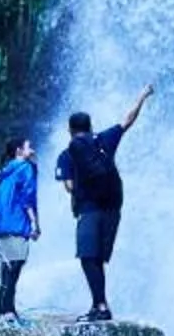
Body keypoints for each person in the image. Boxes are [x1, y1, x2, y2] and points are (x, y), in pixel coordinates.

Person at [53, 84, 154, 321]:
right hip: (112, 207)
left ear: (70, 130)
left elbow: (68, 186)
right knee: (98, 258)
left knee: (88, 257)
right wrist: (143, 95)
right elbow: (127, 120)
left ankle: (99, 305)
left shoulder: (68, 154)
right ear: (90, 126)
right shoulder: (103, 140)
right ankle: (100, 305)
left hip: (89, 209)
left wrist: (83, 190)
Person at [0, 136, 40, 318]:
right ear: (19, 150)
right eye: (29, 147)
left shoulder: (6, 171)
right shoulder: (25, 168)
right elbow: (27, 198)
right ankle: (8, 311)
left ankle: (3, 308)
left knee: (7, 266)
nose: (32, 150)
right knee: (15, 266)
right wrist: (34, 224)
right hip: (18, 224)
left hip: (3, 225)